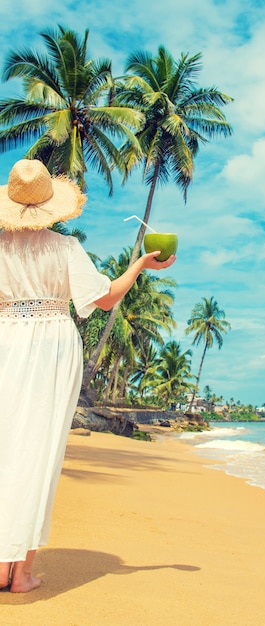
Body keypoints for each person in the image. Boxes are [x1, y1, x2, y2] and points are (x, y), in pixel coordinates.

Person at [0, 159, 176, 593]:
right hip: (51, 346)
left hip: (6, 339)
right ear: (50, 205)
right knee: (37, 453)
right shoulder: (64, 247)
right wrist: (139, 265)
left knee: (6, 448)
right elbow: (104, 298)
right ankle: (20, 573)